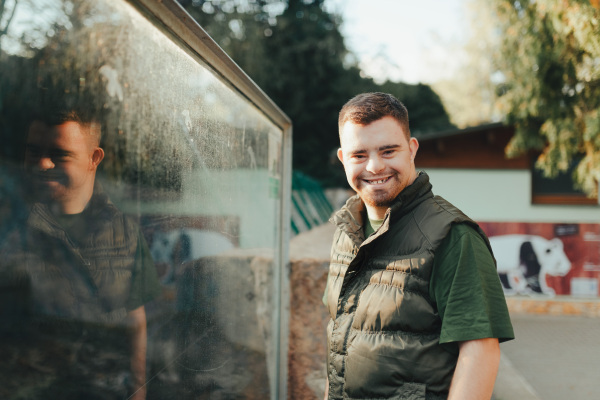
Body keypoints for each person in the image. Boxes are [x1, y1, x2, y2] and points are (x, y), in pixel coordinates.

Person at [323, 93, 514, 400]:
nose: (374, 166)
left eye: (388, 151)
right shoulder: (346, 232)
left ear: (411, 150)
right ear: (344, 159)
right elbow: (339, 334)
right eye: (360, 155)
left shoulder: (453, 236)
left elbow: (480, 351)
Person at [0, 104, 160, 400]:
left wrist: (138, 389)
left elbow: (135, 321)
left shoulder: (123, 233)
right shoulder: (11, 224)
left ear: (93, 159)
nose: (42, 164)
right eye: (33, 151)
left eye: (60, 154)